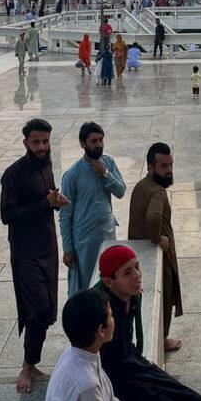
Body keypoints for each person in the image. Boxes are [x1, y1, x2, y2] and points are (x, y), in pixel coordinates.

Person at [44, 287, 200, 401]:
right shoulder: (86, 384)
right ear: (101, 331)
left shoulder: (83, 353)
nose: (114, 320)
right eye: (111, 316)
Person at [97, 246, 201, 401]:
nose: (137, 275)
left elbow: (130, 351)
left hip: (137, 369)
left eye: (137, 267)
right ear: (110, 282)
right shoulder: (105, 313)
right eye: (128, 272)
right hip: (124, 386)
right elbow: (114, 371)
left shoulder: (129, 297)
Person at [0, 118, 70, 394]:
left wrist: (55, 201)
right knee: (38, 307)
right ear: (26, 143)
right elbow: (8, 215)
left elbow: (46, 198)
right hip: (26, 252)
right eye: (36, 142)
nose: (42, 147)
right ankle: (27, 366)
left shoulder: (46, 165)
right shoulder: (13, 174)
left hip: (47, 248)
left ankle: (33, 361)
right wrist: (46, 203)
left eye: (45, 141)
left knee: (46, 310)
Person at [60, 122, 126, 297]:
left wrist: (105, 174)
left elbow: (121, 191)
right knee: (88, 287)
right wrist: (67, 248)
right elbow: (65, 215)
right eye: (93, 141)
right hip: (84, 241)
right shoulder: (72, 174)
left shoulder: (108, 163)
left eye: (101, 140)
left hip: (107, 234)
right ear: (83, 144)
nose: (98, 145)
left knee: (108, 282)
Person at [128, 143, 182, 352]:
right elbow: (153, 217)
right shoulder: (158, 192)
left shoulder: (142, 185)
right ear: (151, 167)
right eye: (163, 166)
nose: (169, 171)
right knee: (165, 297)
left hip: (140, 254)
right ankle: (163, 339)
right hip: (159, 255)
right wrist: (158, 238)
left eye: (170, 165)